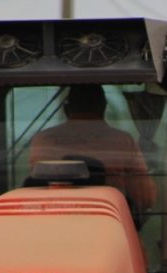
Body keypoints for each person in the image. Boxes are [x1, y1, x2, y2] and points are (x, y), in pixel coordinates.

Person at [28, 84, 157, 212]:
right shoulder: (123, 141)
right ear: (103, 107)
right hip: (111, 225)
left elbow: (34, 189)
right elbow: (145, 199)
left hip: (50, 222)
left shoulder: (44, 140)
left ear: (66, 109)